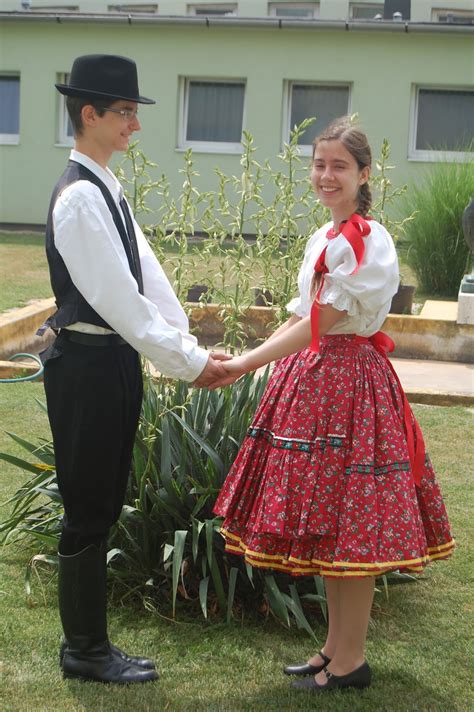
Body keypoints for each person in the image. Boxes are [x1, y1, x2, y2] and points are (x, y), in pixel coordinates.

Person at [210, 117, 455, 693]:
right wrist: (255, 353)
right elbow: (303, 315)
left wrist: (246, 365)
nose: (326, 175)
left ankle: (351, 661)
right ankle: (333, 650)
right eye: (319, 164)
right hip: (314, 381)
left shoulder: (370, 239)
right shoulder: (323, 236)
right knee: (332, 523)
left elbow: (329, 318)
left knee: (353, 524)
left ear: (364, 174)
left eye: (339, 166)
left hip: (351, 385)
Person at [39, 54, 229, 685]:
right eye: (124, 113)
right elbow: (120, 302)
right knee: (88, 505)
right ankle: (85, 651)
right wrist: (190, 364)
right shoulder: (77, 201)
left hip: (113, 363)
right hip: (87, 368)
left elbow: (149, 280)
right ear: (88, 114)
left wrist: (191, 346)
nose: (134, 125)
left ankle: (90, 646)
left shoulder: (107, 190)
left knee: (104, 496)